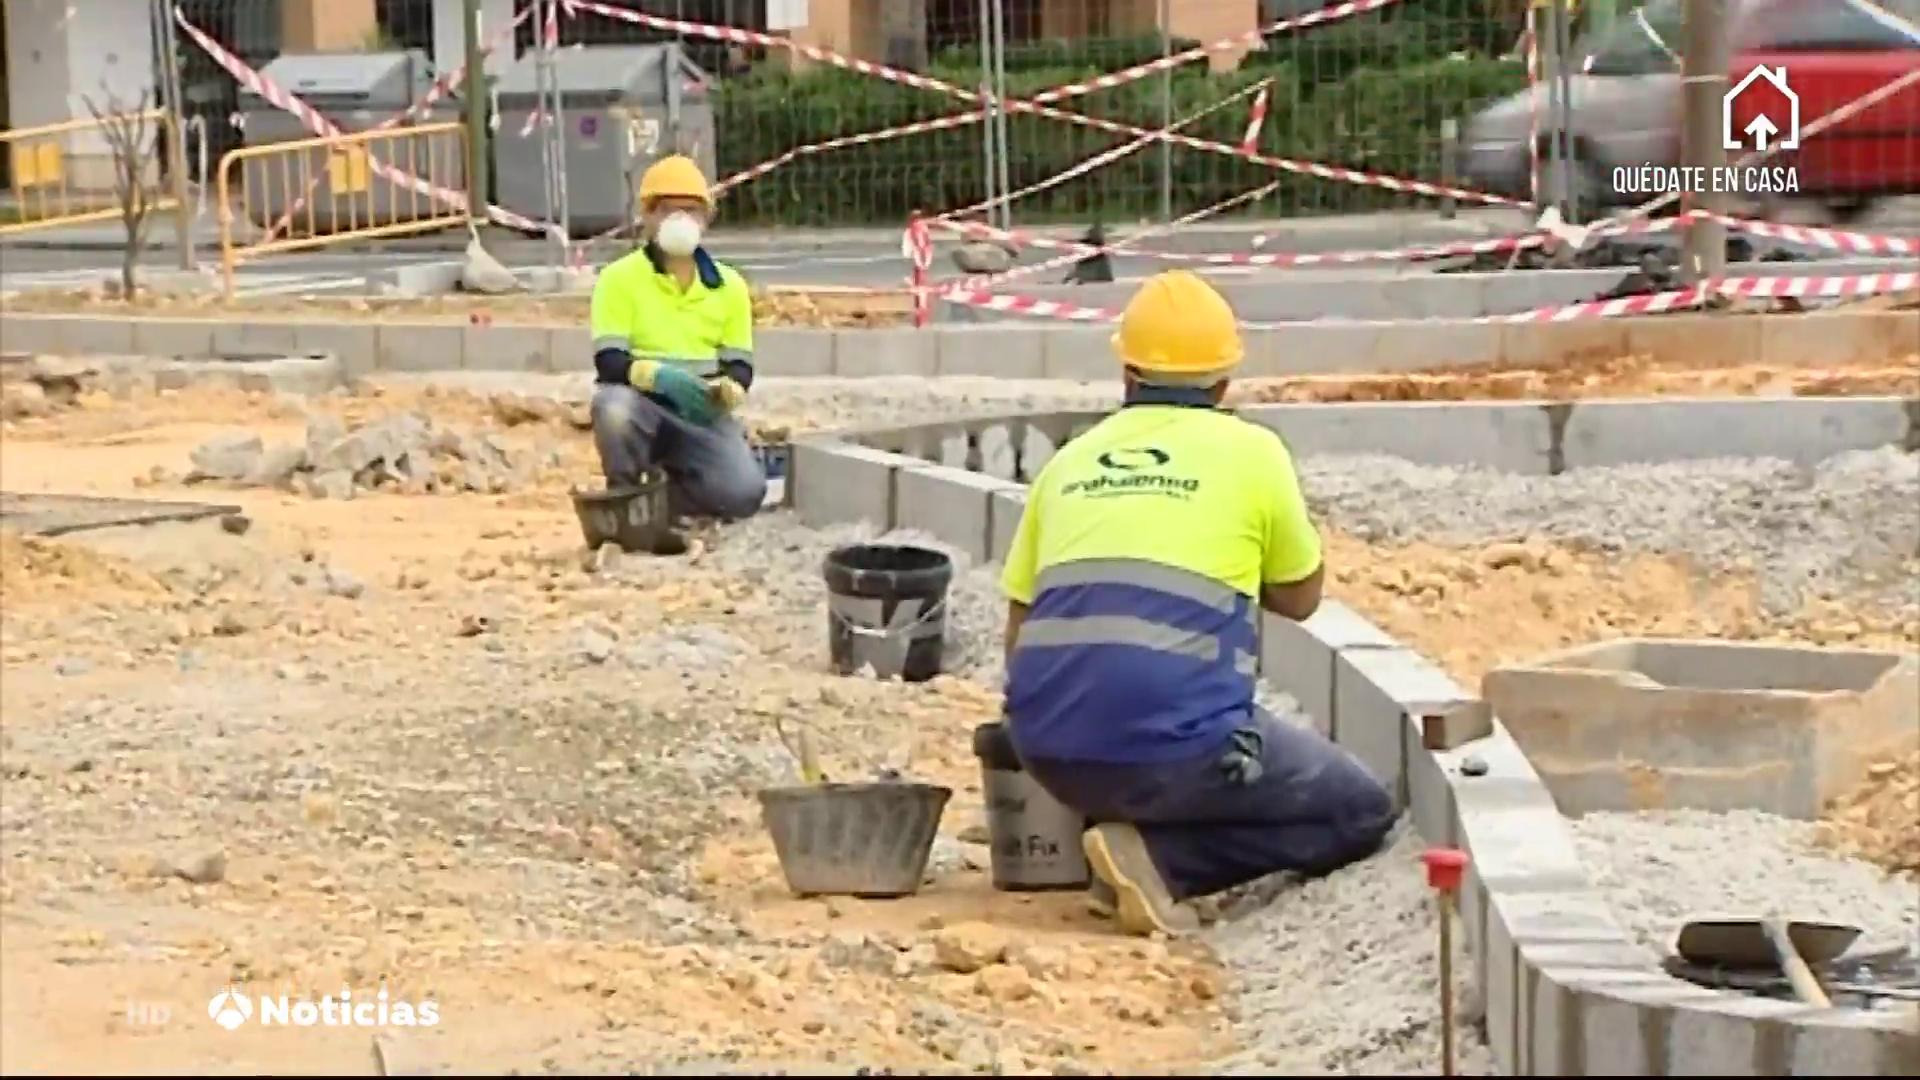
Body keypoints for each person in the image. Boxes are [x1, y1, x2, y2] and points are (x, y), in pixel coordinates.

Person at [997, 270, 1397, 938]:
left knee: (1152, 734)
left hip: (1048, 755)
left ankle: (1112, 833)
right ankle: (1161, 861)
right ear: (1224, 380)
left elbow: (1017, 636)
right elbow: (1301, 598)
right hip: (1179, 753)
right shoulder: (1254, 453)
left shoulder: (1068, 462)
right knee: (1357, 810)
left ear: (1127, 371)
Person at [589, 154, 767, 548]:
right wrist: (653, 376)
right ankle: (625, 501)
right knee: (613, 408)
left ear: (706, 218)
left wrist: (729, 390)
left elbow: (740, 365)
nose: (680, 220)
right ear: (647, 217)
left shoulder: (729, 286)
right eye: (667, 209)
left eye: (690, 210)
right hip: (643, 404)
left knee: (745, 492)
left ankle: (659, 501)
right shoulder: (618, 280)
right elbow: (609, 361)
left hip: (700, 414)